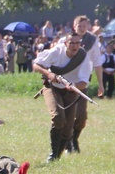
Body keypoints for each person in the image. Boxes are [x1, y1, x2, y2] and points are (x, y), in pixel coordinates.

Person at [32, 32, 93, 162]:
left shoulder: (83, 57)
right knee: (58, 117)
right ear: (65, 43)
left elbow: (84, 82)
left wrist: (73, 86)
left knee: (68, 127)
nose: (74, 46)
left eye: (77, 43)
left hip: (71, 92)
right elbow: (36, 65)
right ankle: (53, 154)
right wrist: (49, 75)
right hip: (52, 88)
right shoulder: (56, 51)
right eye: (71, 43)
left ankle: (57, 157)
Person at [67, 15, 104, 153]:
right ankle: (68, 142)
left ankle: (74, 138)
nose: (82, 29)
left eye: (84, 26)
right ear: (74, 26)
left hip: (82, 81)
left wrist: (100, 84)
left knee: (81, 116)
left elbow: (97, 63)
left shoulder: (92, 40)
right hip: (67, 79)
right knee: (67, 114)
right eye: (79, 26)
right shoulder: (67, 39)